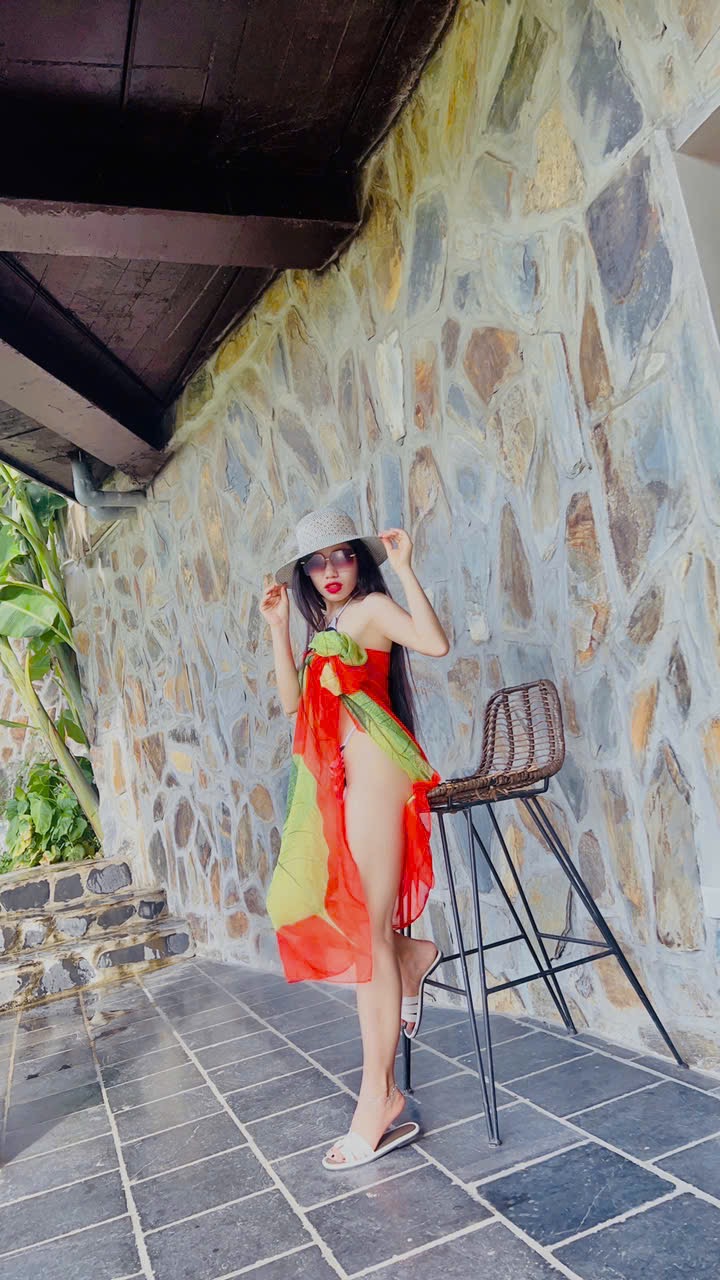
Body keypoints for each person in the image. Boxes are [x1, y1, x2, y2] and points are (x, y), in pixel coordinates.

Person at [260, 506, 449, 1171]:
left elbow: (433, 643)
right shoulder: (326, 630)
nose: (331, 571)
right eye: (317, 563)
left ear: (357, 561)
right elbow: (293, 704)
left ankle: (380, 1096)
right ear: (306, 576)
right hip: (348, 780)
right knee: (356, 923)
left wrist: (404, 569)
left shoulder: (369, 609)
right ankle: (411, 955)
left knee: (365, 936)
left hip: (377, 771)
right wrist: (279, 629)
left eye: (341, 556)